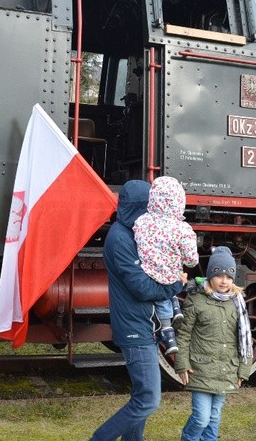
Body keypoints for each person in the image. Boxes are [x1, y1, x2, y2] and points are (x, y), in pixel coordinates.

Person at [90, 180, 188, 441]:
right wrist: (176, 284)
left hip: (144, 323)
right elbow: (142, 288)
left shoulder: (134, 231)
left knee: (141, 395)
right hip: (135, 327)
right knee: (148, 400)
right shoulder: (120, 239)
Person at [174, 246, 253, 441]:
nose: (224, 281)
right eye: (219, 275)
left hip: (226, 369)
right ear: (210, 276)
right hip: (201, 368)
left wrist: (243, 370)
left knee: (215, 416)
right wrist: (182, 363)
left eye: (228, 276)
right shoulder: (196, 299)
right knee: (201, 418)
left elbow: (244, 339)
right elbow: (183, 334)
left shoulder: (237, 302)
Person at [133, 176, 199, 355]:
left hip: (148, 272)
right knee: (175, 278)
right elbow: (192, 260)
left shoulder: (141, 222)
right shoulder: (182, 229)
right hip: (171, 276)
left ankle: (171, 319)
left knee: (163, 292)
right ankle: (169, 333)